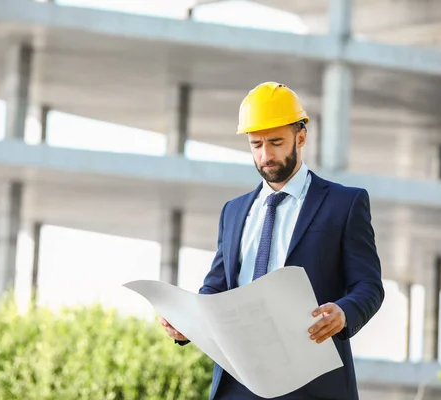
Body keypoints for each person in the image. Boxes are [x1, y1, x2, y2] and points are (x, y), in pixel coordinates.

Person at [160, 81, 384, 399]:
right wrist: (188, 322)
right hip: (238, 383)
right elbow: (216, 288)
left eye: (276, 142)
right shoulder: (233, 211)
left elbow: (369, 286)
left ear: (301, 136)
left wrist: (344, 312)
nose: (266, 155)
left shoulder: (344, 204)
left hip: (311, 385)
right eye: (256, 144)